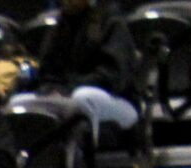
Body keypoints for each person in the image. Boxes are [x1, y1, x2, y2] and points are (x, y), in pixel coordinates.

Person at [34, 0, 139, 137]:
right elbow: (47, 73)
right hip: (66, 94)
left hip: (117, 100)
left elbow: (112, 77)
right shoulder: (59, 26)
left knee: (82, 97)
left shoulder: (111, 22)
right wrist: (50, 90)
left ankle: (83, 155)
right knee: (21, 102)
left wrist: (68, 90)